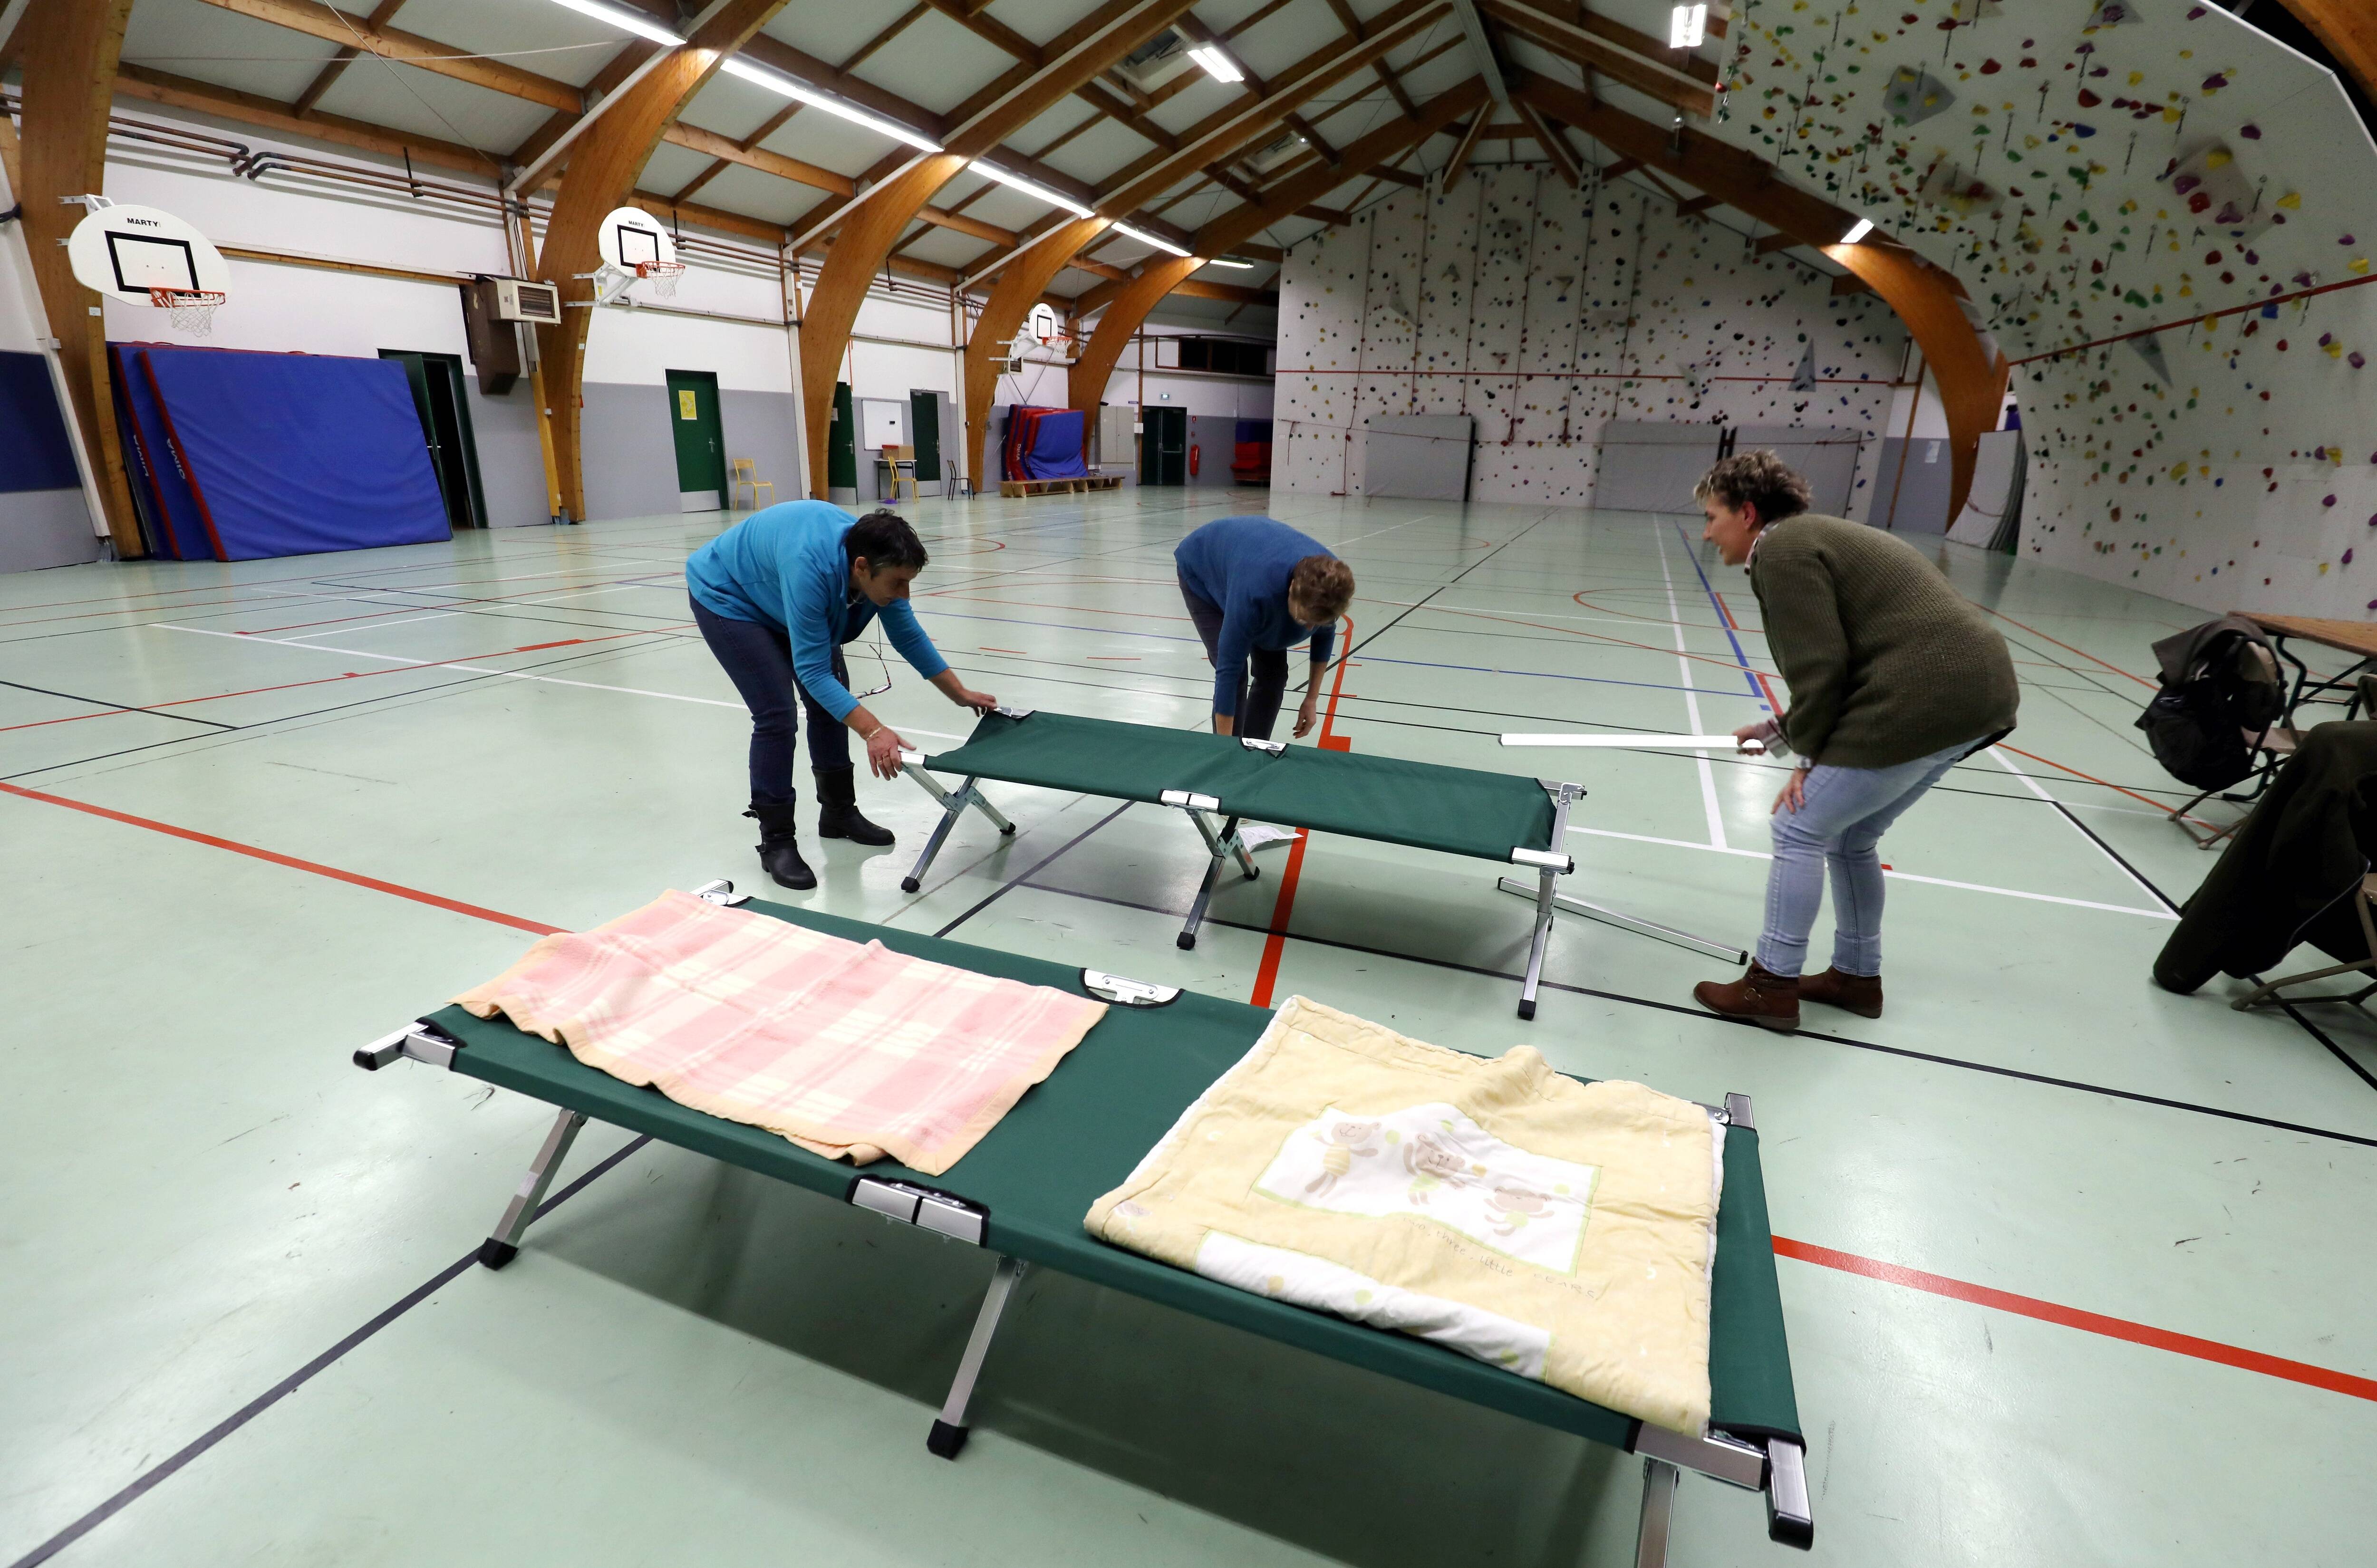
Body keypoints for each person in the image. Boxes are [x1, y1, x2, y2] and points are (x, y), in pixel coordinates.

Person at [1689, 452, 2019, 1031]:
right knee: (1849, 837)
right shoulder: (1813, 536)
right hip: (1973, 694)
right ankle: (1855, 977)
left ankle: (1771, 985)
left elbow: (1822, 667)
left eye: (1712, 515)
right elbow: (1854, 655)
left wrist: (1807, 757)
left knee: (1798, 826)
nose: (1707, 529)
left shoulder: (1782, 551)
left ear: (1746, 513)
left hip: (1923, 696)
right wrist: (1780, 732)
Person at [687, 502, 995, 891]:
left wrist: (960, 693)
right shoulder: (811, 570)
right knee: (777, 716)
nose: (905, 593)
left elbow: (908, 635)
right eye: (898, 583)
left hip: (783, 591)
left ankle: (838, 814)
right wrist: (873, 730)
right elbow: (812, 671)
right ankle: (777, 841)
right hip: (731, 597)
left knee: (831, 706)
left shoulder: (876, 561)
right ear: (862, 567)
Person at [1175, 515, 1355, 740]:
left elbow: (1324, 637)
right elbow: (1228, 674)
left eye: (1315, 623)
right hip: (1203, 570)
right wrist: (1224, 751)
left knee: (1274, 675)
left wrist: (1311, 699)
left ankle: (1254, 747)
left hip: (1247, 560)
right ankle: (1233, 752)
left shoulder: (1330, 585)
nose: (1310, 628)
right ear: (1291, 590)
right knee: (1238, 672)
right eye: (1303, 618)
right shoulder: (1255, 596)